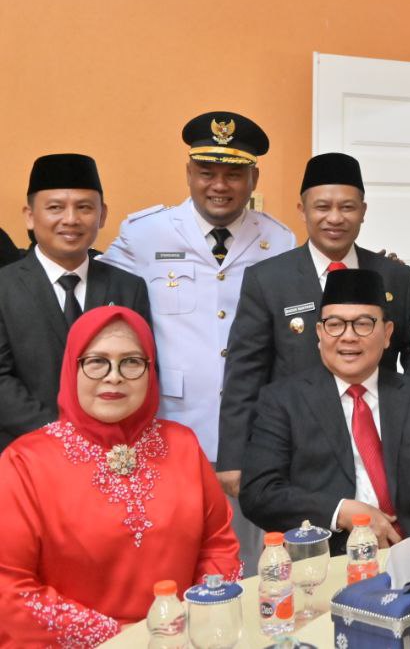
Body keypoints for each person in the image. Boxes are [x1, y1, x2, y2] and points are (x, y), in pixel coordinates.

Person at [98, 112, 294, 565]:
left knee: (251, 555)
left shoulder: (278, 239)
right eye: (207, 172)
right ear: (189, 173)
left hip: (253, 430)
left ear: (254, 178)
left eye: (234, 174)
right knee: (171, 551)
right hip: (171, 424)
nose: (219, 186)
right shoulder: (146, 233)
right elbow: (96, 294)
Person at [0, 306, 239, 645]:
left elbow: (218, 545)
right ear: (72, 369)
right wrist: (120, 637)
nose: (114, 376)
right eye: (97, 361)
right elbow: (9, 588)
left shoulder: (182, 445)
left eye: (131, 362)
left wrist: (195, 619)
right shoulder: (25, 462)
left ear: (150, 371)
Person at [217, 152, 410, 492]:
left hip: (378, 436)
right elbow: (245, 372)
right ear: (302, 210)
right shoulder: (268, 279)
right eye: (322, 207)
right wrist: (233, 456)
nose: (335, 218)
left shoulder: (394, 276)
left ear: (363, 211)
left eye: (347, 207)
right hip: (296, 442)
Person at [241, 269, 410, 553]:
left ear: (387, 334)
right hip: (327, 560)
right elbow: (259, 494)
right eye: (335, 324)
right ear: (319, 334)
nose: (348, 337)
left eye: (363, 324)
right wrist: (340, 511)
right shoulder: (282, 401)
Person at [0, 154, 150, 452]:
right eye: (55, 207)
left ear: (102, 215)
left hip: (112, 449)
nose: (71, 219)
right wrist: (61, 436)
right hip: (24, 450)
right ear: (30, 215)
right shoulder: (4, 286)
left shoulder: (128, 287)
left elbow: (141, 369)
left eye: (84, 207)